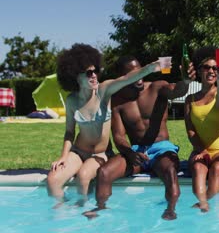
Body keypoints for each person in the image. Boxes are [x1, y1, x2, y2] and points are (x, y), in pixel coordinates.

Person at [82, 55, 196, 220]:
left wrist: (185, 82)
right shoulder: (118, 101)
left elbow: (176, 90)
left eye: (140, 70)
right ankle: (100, 208)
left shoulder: (157, 88)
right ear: (123, 77)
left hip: (161, 148)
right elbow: (119, 136)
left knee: (170, 170)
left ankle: (170, 209)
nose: (139, 75)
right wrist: (130, 153)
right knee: (104, 172)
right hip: (135, 151)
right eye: (132, 73)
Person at [47, 44, 162, 207]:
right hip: (79, 151)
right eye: (88, 73)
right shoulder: (72, 100)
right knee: (53, 179)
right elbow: (69, 132)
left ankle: (83, 212)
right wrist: (63, 156)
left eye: (96, 71)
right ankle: (61, 215)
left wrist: (149, 69)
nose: (94, 76)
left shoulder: (104, 90)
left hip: (101, 154)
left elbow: (127, 78)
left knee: (84, 176)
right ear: (75, 76)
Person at [184, 47, 219, 213]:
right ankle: (203, 203)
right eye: (207, 67)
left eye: (215, 68)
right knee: (198, 169)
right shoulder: (190, 99)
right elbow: (190, 130)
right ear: (200, 71)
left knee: (217, 169)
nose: (211, 71)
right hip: (201, 149)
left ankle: (204, 205)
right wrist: (202, 149)